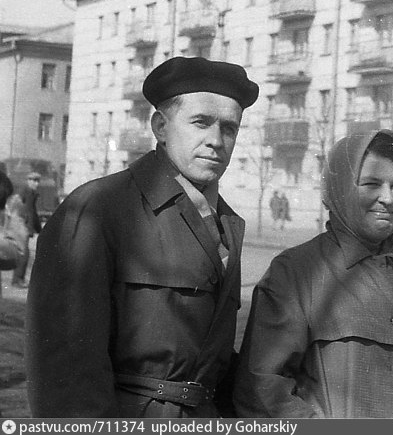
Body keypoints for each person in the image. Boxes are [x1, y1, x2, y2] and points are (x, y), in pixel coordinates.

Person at [25, 56, 259, 417]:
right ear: (160, 127)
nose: (216, 140)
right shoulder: (98, 208)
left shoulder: (227, 224)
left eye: (229, 128)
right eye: (200, 122)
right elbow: (66, 368)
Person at [233, 128, 393, 418]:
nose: (388, 198)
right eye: (371, 184)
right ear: (340, 187)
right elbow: (263, 394)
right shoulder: (296, 273)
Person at [10, 170, 42, 288]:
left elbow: (33, 212)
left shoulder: (32, 193)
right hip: (20, 225)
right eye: (33, 180)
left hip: (24, 225)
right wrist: (22, 221)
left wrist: (39, 229)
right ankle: (17, 280)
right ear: (28, 181)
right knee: (23, 253)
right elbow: (15, 206)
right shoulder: (24, 191)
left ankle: (19, 279)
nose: (36, 183)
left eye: (37, 181)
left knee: (23, 253)